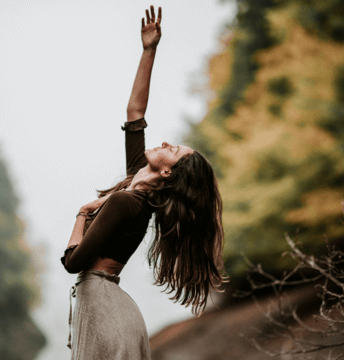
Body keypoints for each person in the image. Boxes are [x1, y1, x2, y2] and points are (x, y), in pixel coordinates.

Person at [61, 5, 227, 359]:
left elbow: (74, 262)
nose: (166, 143)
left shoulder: (127, 203)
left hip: (103, 302)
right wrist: (149, 50)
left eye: (174, 150)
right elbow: (135, 114)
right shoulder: (137, 183)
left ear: (167, 172)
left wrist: (81, 213)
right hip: (105, 302)